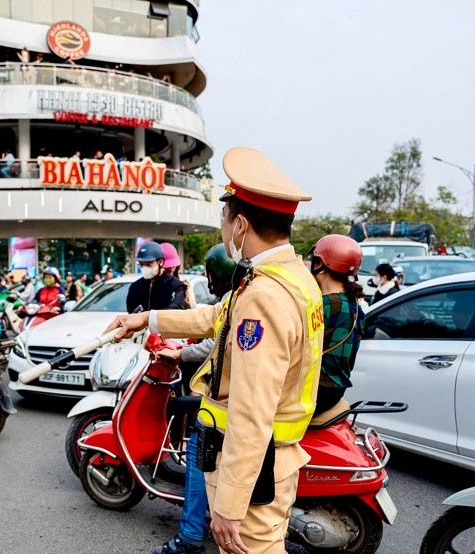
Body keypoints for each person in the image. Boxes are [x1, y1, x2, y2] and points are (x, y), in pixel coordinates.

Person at [106, 146, 322, 554]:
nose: (223, 231)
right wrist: (146, 319)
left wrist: (229, 505)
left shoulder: (264, 295)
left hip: (257, 469)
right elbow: (215, 317)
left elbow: (251, 410)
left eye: (224, 220)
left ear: (240, 224)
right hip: (272, 459)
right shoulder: (292, 278)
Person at [153, 243, 235, 554]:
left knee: (198, 452)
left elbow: (213, 342)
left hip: (227, 401)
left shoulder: (233, 299)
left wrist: (179, 351)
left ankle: (188, 535)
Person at [308, 235, 366, 415]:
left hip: (315, 391)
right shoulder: (355, 306)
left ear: (321, 265)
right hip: (335, 391)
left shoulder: (324, 305)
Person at [125, 241, 186, 314]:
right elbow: (131, 312)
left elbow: (176, 307)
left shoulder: (175, 285)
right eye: (141, 264)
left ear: (160, 262)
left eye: (148, 264)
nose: (144, 268)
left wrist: (151, 317)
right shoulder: (135, 287)